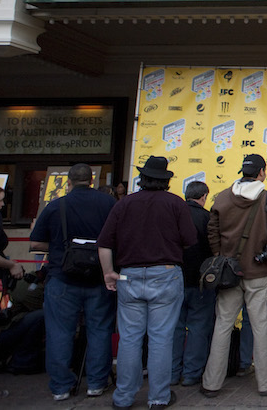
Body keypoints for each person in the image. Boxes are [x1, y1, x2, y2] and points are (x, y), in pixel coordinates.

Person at [98, 156, 197, 409]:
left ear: (142, 179)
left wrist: (109, 273)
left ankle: (123, 398)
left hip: (128, 275)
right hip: (165, 273)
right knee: (161, 339)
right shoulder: (175, 203)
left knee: (129, 339)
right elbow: (189, 239)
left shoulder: (124, 204)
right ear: (166, 180)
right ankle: (158, 398)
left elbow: (105, 242)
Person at [201, 153, 267, 398]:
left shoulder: (222, 197)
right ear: (262, 172)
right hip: (259, 273)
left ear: (243, 171)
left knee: (222, 326)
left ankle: (211, 384)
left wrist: (222, 257)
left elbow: (212, 232)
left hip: (228, 274)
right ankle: (266, 383)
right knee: (261, 328)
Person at [29, 162, 116, 401]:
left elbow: (35, 244)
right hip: (99, 278)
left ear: (68, 182)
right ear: (93, 181)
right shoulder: (109, 204)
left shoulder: (56, 206)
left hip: (62, 278)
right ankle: (97, 384)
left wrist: (61, 247)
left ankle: (61, 388)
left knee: (60, 333)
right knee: (100, 331)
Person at [172, 180, 216, 386]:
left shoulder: (173, 215)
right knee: (199, 328)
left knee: (174, 328)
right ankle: (191, 374)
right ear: (204, 197)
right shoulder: (208, 218)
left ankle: (172, 373)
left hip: (173, 279)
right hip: (200, 282)